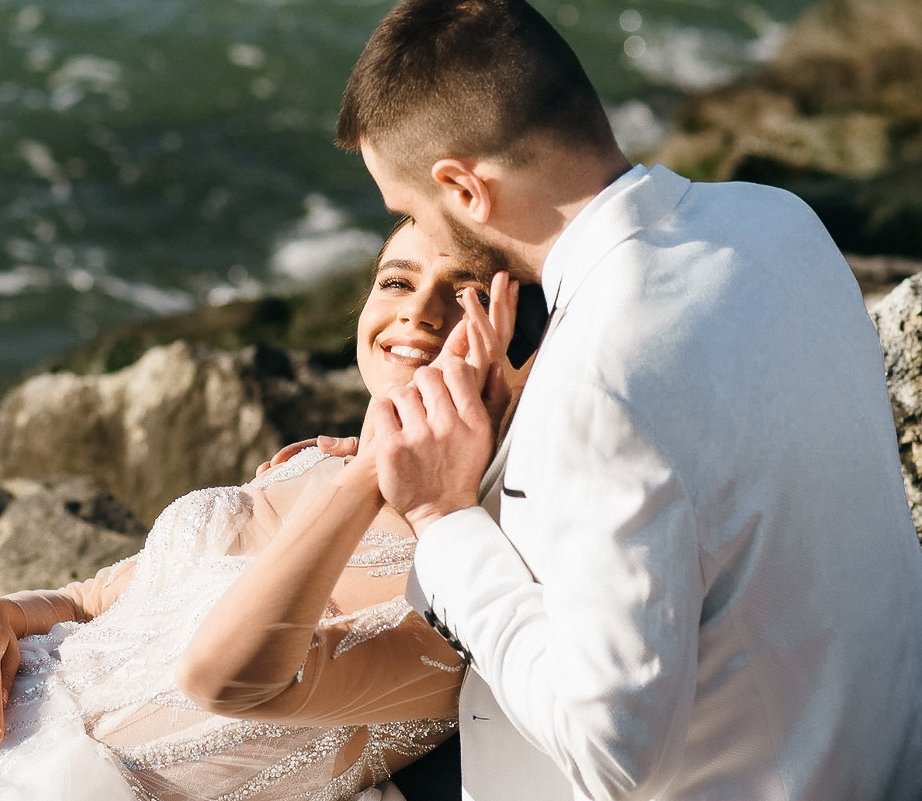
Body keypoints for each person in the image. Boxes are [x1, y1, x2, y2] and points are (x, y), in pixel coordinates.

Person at [332, 1, 922, 800]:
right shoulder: (779, 218)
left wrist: (443, 519)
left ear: (463, 188)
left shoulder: (595, 378)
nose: (410, 229)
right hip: (883, 750)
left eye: (407, 210)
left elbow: (611, 751)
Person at [0, 218, 528, 801]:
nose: (417, 310)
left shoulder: (464, 591)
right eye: (396, 280)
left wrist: (375, 470)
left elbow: (229, 680)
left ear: (518, 354)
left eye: (462, 295)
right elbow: (96, 600)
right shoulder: (310, 460)